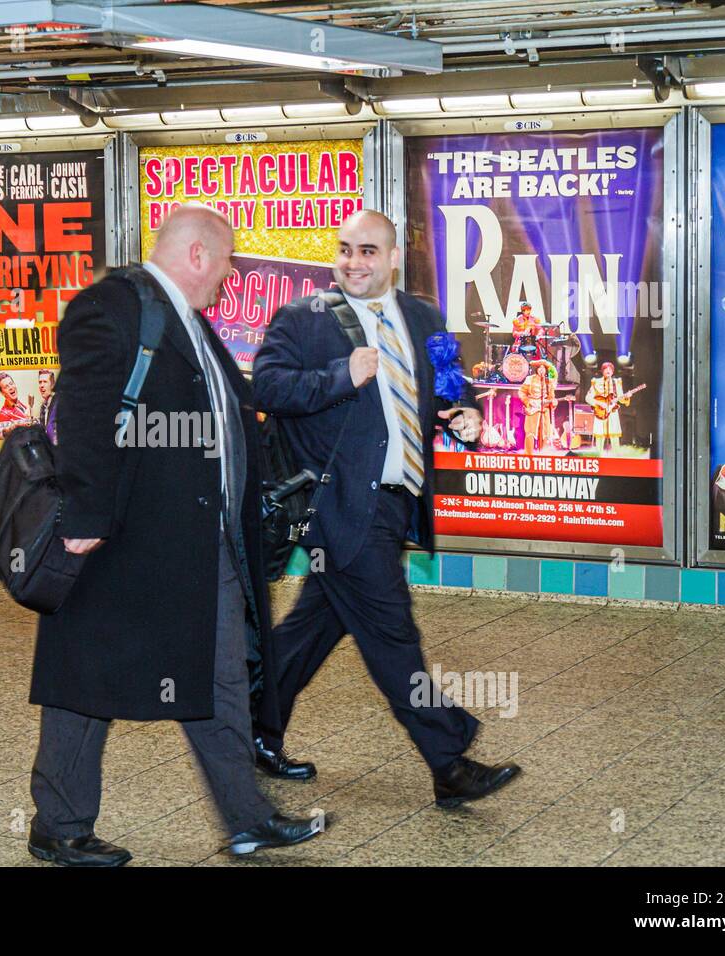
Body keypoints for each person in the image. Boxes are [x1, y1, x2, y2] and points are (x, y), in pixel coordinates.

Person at [28, 204, 324, 866]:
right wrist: (82, 521)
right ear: (196, 256)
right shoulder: (112, 307)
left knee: (217, 677)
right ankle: (59, 824)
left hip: (195, 540)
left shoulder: (192, 325)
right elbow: (83, 414)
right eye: (224, 264)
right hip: (117, 537)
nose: (227, 278)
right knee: (84, 682)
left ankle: (247, 820)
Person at [251, 209, 520, 809]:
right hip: (338, 507)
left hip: (397, 503)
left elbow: (448, 384)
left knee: (313, 627)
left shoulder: (421, 315)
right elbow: (265, 388)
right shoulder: (305, 319)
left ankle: (250, 726)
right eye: (345, 249)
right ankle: (449, 759)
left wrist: (468, 413)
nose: (353, 262)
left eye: (368, 251)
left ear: (393, 257)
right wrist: (339, 374)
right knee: (392, 633)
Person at [585, 361, 628, 454]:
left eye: (610, 369)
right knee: (600, 437)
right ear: (602, 371)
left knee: (614, 437)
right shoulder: (596, 382)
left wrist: (626, 397)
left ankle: (617, 458)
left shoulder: (616, 382)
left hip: (612, 412)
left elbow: (620, 398)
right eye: (605, 369)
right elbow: (588, 398)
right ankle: (599, 457)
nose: (608, 371)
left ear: (613, 371)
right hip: (600, 413)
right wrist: (599, 403)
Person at [520, 359, 558, 455]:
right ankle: (528, 456)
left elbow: (554, 372)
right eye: (539, 367)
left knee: (545, 434)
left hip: (544, 409)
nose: (541, 369)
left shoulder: (549, 380)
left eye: (543, 368)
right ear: (536, 369)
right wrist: (528, 402)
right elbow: (521, 392)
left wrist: (553, 402)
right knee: (530, 433)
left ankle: (543, 456)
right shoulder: (530, 379)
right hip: (533, 409)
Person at [37, 369, 58, 443]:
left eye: (45, 382)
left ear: (52, 385)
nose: (42, 385)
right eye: (40, 382)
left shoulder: (58, 403)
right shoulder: (43, 407)